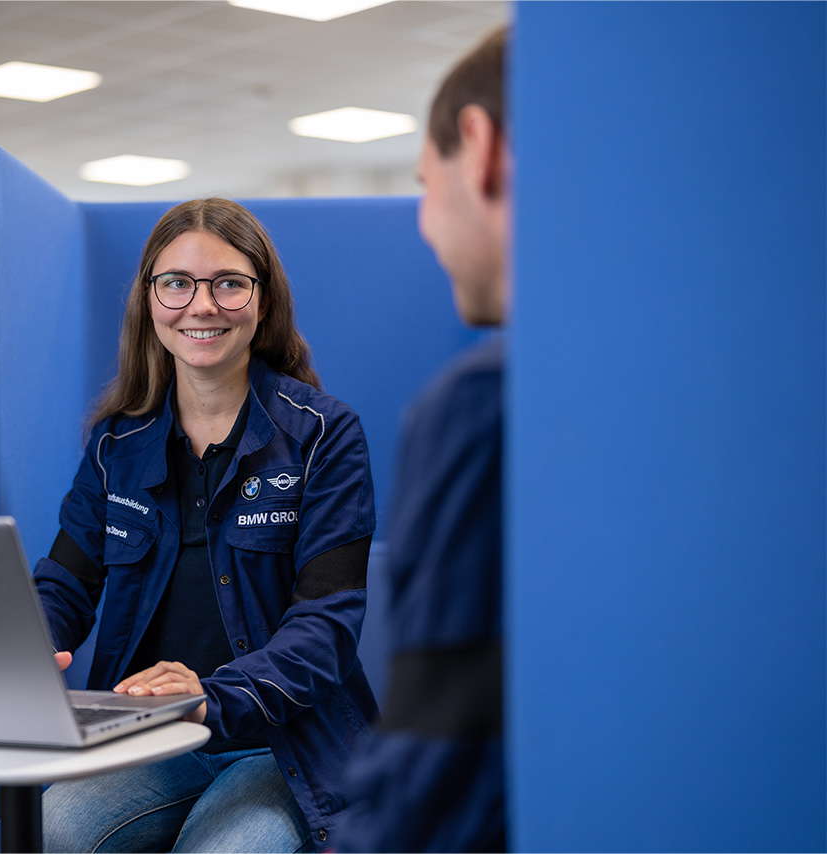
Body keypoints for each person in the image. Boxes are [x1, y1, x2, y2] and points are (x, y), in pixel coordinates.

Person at [0, 198, 377, 853]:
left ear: (263, 301)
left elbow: (326, 630)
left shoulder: (324, 437)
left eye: (228, 283)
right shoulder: (115, 447)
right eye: (177, 283)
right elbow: (65, 584)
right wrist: (25, 647)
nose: (202, 305)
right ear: (150, 300)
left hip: (281, 746)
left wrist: (208, 697)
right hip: (149, 740)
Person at [340, 24, 511, 853]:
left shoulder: (482, 405)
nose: (423, 222)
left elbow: (436, 764)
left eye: (423, 183)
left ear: (478, 149)